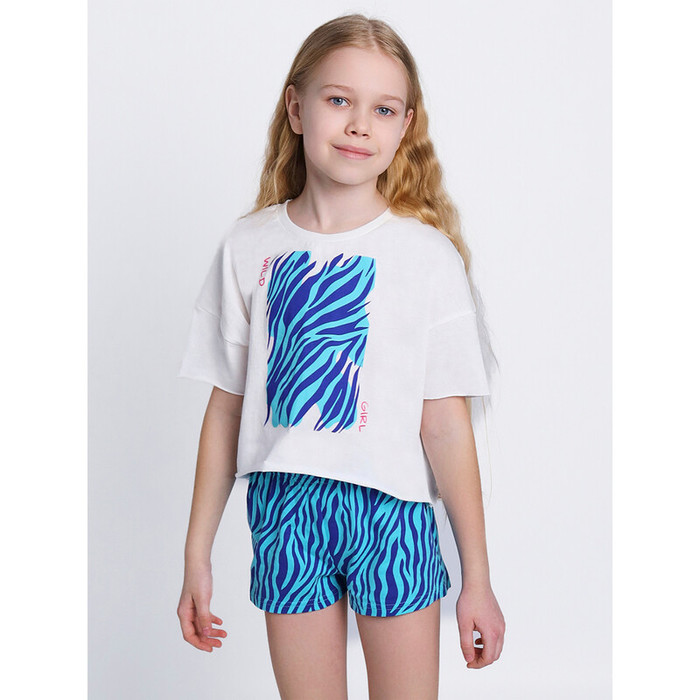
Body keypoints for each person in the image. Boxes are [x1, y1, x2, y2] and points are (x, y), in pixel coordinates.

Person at [176, 12, 505, 699]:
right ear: (296, 109)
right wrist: (196, 555)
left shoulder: (426, 257)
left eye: (382, 109)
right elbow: (227, 410)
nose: (359, 125)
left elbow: (446, 425)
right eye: (338, 100)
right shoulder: (248, 247)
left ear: (405, 126)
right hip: (285, 510)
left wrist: (477, 577)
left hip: (393, 515)